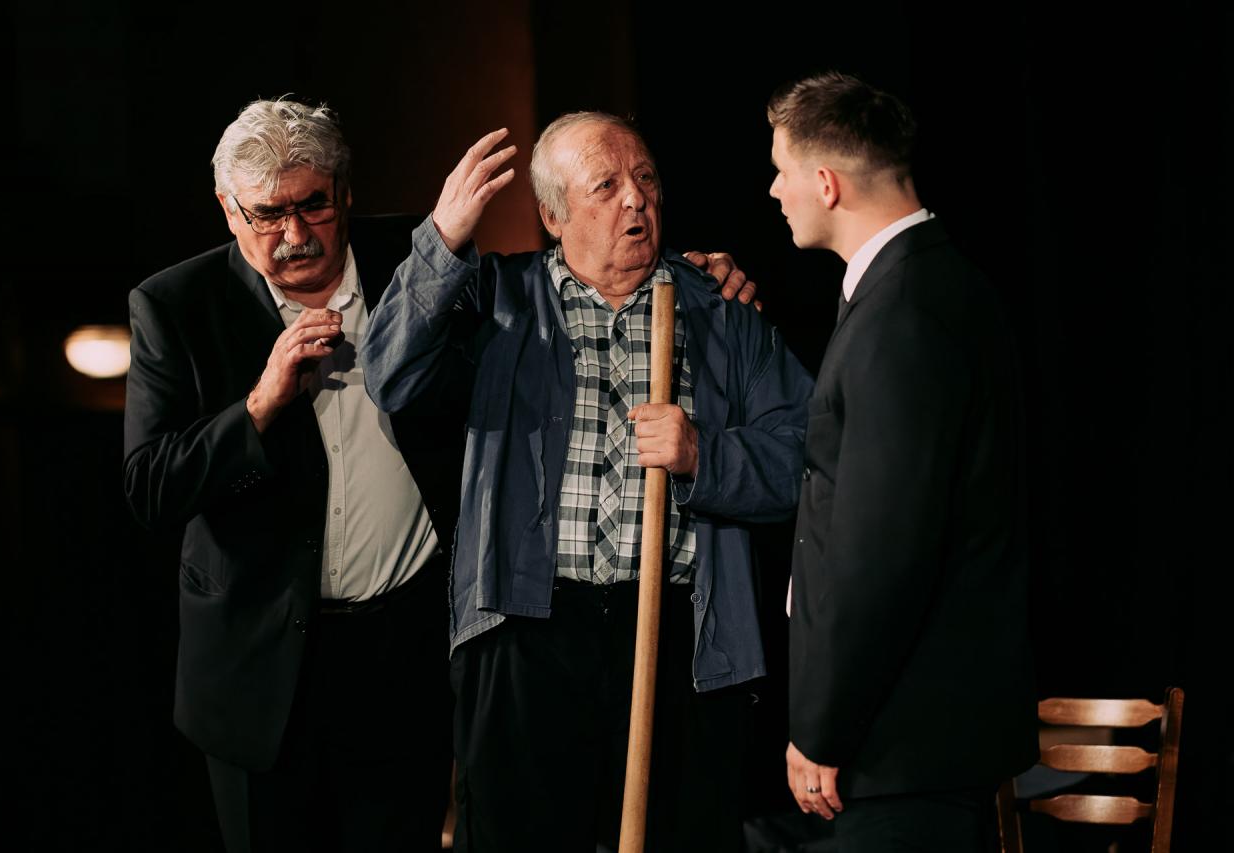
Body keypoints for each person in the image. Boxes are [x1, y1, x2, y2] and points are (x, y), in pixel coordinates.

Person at [361, 113, 813, 852]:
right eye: (606, 186)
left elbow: (807, 458)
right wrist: (440, 242)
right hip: (526, 631)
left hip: (678, 636)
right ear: (553, 216)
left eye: (647, 179)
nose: (636, 199)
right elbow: (390, 374)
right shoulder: (499, 300)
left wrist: (704, 455)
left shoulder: (718, 311)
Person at [122, 97, 465, 852]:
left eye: (313, 204)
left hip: (402, 660)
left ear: (346, 190)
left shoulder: (415, 259)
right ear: (228, 209)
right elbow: (151, 486)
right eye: (268, 214)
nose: (295, 234)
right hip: (259, 676)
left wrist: (695, 280)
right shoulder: (176, 305)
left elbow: (536, 297)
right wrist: (261, 405)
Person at [770, 71, 1036, 851]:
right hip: (915, 742)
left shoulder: (904, 312)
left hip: (904, 745)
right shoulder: (930, 285)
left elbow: (882, 551)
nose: (774, 189)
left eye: (782, 170)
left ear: (826, 183)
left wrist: (821, 726)